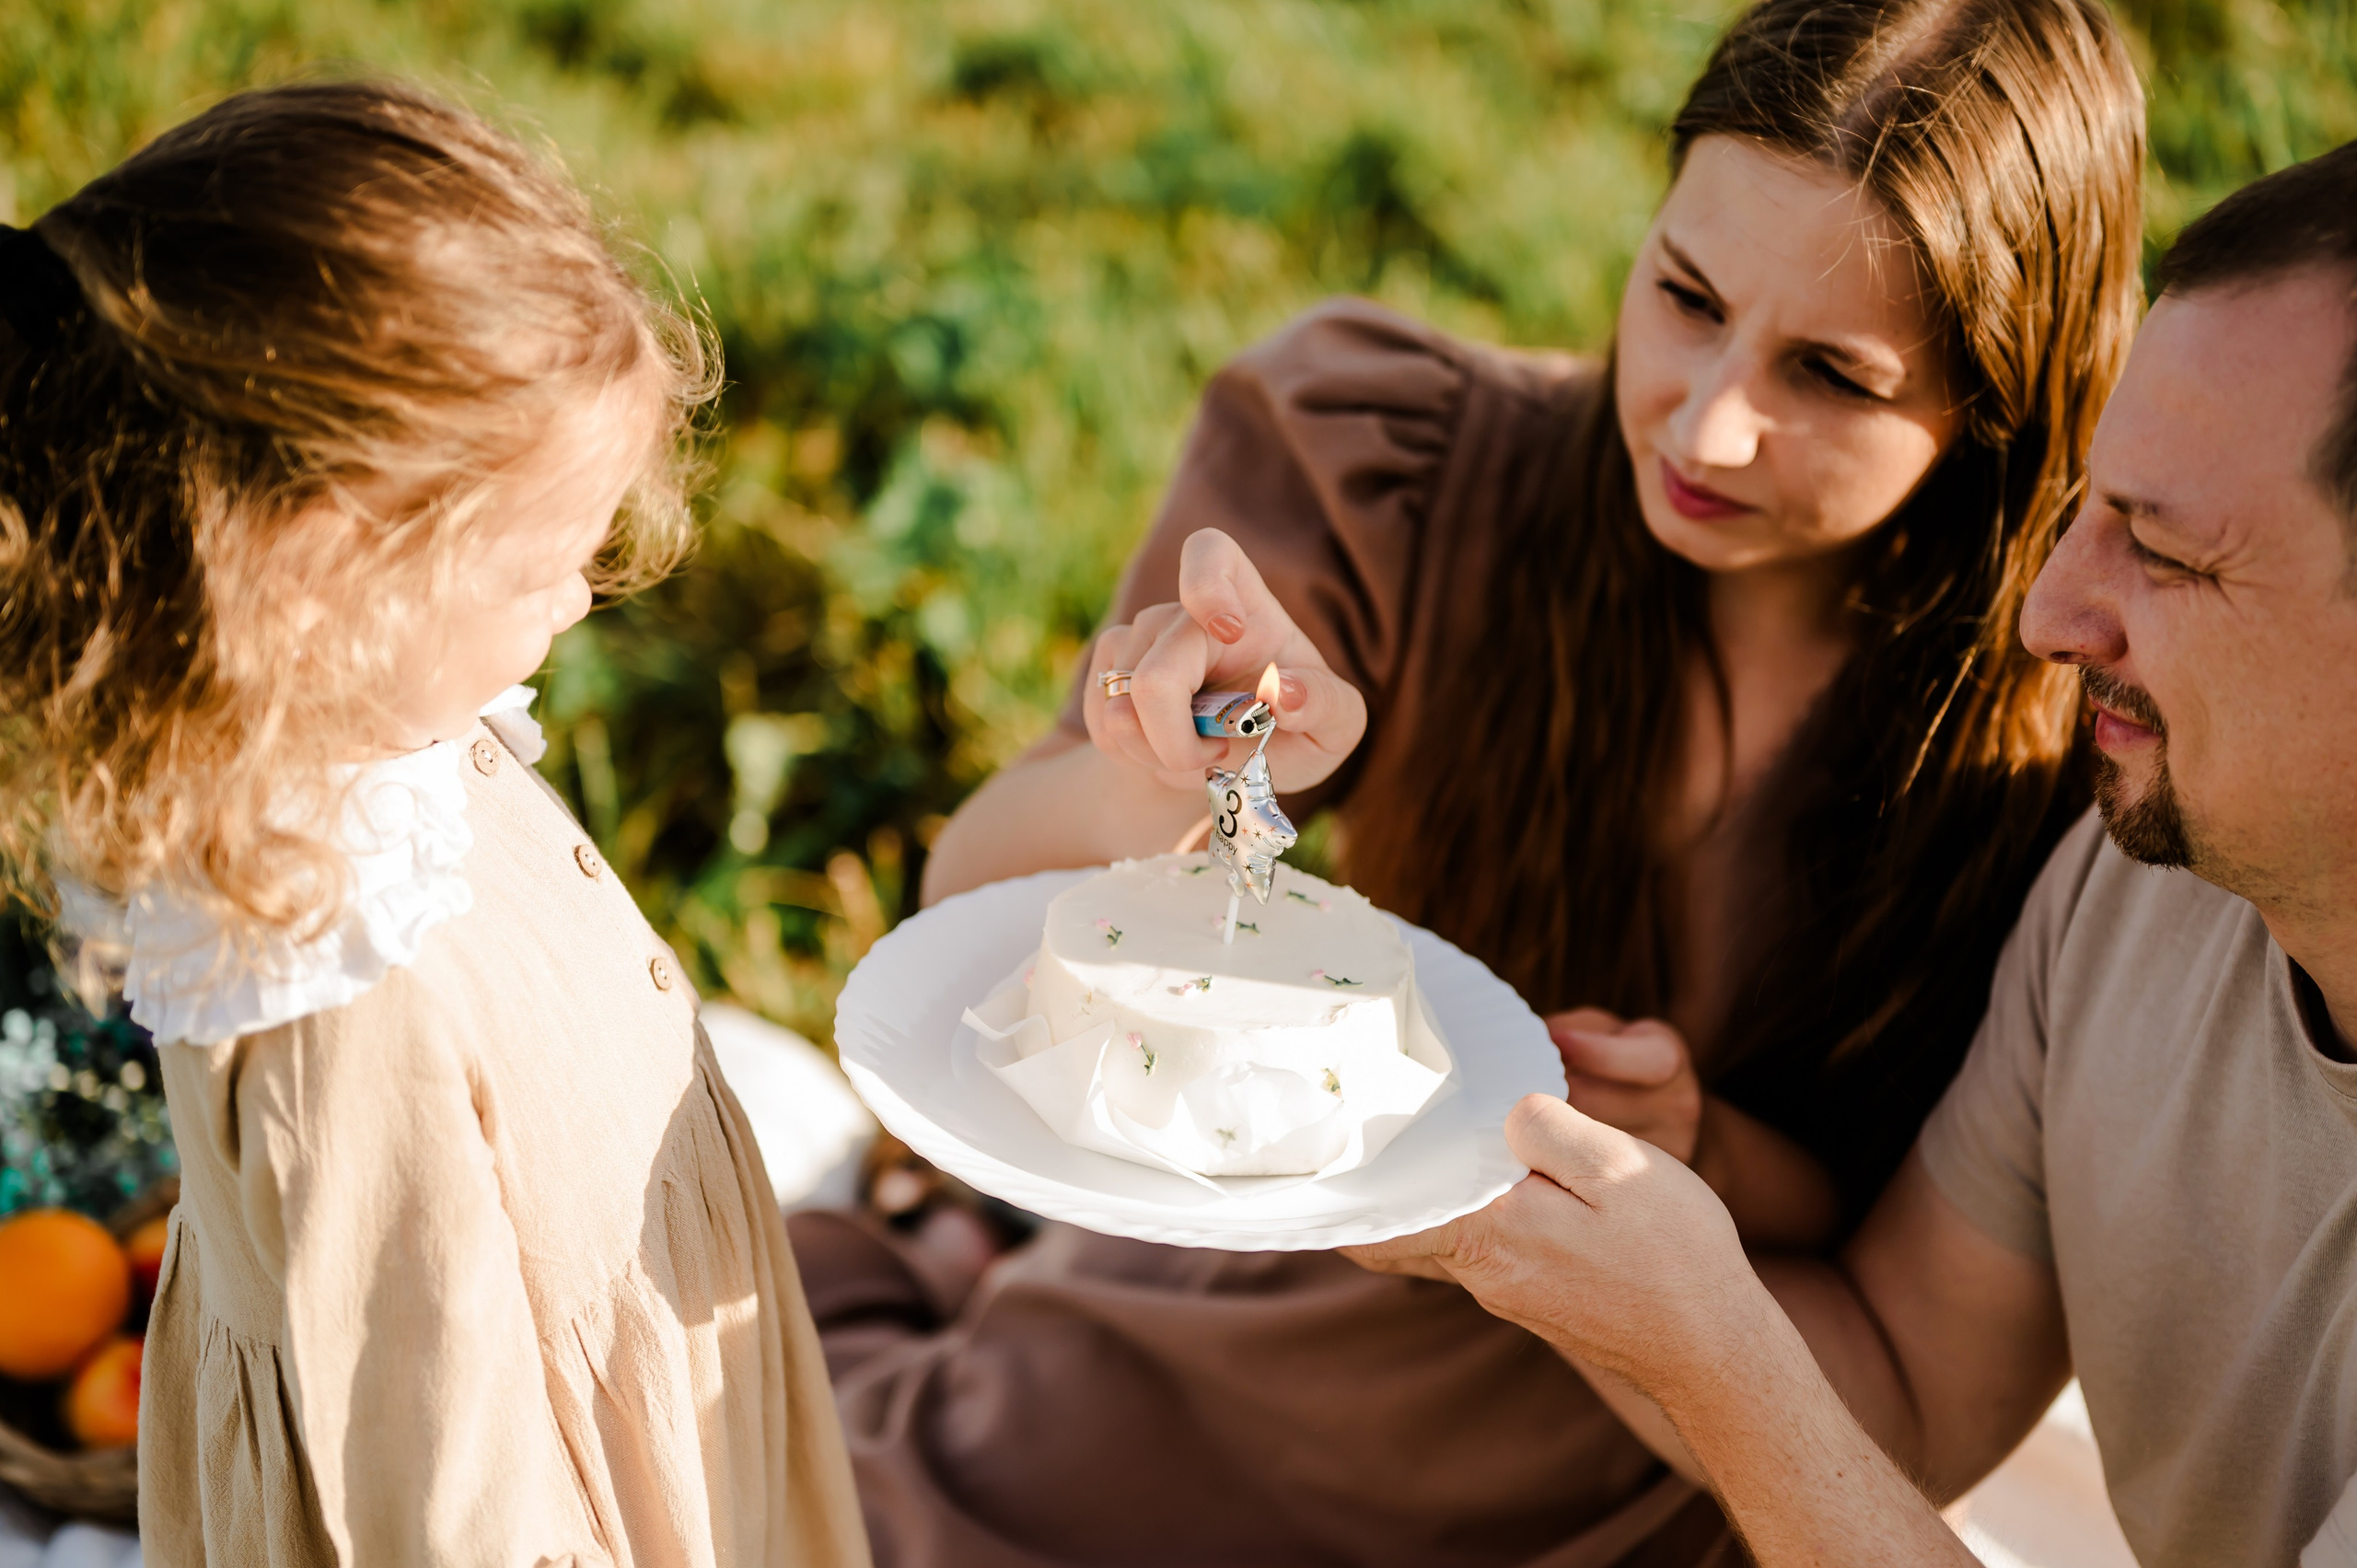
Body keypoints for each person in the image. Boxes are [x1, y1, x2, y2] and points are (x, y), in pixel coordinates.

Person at [788, 0, 2145, 1562]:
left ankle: (947, 1249)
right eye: (1686, 294)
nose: (1711, 422)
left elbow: (1900, 1374)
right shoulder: (1408, 467)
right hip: (1248, 1372)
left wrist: (1699, 1154)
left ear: (1998, 398)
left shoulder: (2051, 754)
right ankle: (936, 1254)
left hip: (1662, 1475)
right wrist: (1154, 780)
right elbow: (968, 911)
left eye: (1833, 376)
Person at [1350, 140, 2357, 1568]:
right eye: (2094, 511)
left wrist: (1715, 1347)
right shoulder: (2136, 899)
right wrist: (1536, 1193)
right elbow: (1900, 1391)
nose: (2050, 618)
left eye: (2171, 557)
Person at [0, 84, 871, 1568]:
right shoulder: (329, 971)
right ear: (327, 579)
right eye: (538, 561)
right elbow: (436, 1473)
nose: (578, 597)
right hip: (570, 1484)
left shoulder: (370, 729)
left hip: (628, 1365)